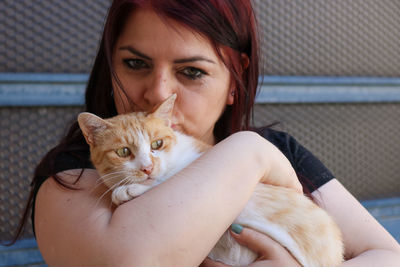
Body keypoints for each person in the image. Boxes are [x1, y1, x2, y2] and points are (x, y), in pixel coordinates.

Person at [15, 0, 400, 266]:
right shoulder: (74, 175)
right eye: (135, 63)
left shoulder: (282, 150)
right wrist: (250, 152)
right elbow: (130, 260)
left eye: (192, 72)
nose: (158, 93)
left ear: (235, 81)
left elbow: (389, 256)